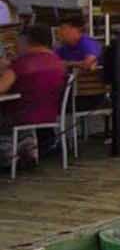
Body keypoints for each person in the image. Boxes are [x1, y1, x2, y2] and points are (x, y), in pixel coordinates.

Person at [0, 26, 69, 168]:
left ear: (26, 41)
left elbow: (1, 88)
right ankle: (27, 150)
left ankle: (8, 156)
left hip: (19, 115)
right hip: (49, 114)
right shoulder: (57, 62)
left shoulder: (21, 64)